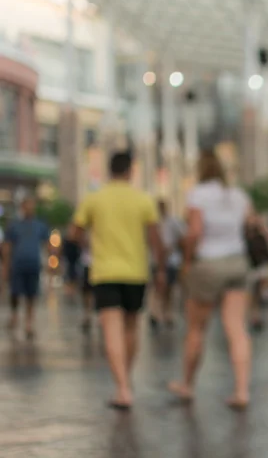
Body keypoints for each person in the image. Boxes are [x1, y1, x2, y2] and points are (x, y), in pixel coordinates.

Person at [71, 152, 166, 410]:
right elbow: (156, 239)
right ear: (130, 171)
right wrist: (161, 270)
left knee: (111, 329)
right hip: (136, 272)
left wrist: (89, 244)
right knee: (132, 328)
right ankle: (126, 379)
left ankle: (122, 388)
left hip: (104, 272)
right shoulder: (143, 199)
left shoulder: (94, 198)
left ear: (109, 169)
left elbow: (74, 232)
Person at [168, 150, 254, 410]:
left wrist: (186, 259)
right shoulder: (239, 195)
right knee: (236, 328)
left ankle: (188, 384)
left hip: (209, 263)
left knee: (196, 329)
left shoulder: (199, 194)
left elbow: (194, 232)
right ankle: (241, 391)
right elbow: (252, 224)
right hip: (237, 262)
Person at [3, 196, 50, 338]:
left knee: (32, 294)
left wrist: (51, 262)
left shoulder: (40, 225)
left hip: (33, 264)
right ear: (22, 207)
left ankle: (29, 322)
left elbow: (47, 244)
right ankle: (14, 316)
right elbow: (7, 246)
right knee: (15, 293)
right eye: (27, 205)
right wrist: (6, 265)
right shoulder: (14, 225)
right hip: (18, 264)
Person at [149, 200, 184, 330]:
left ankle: (167, 312)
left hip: (172, 260)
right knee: (157, 287)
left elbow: (181, 237)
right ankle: (155, 312)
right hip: (156, 259)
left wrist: (172, 248)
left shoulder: (173, 222)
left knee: (170, 287)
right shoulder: (152, 222)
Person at [245, 213, 268, 331]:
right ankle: (253, 316)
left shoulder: (263, 235)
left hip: (260, 267)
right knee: (251, 294)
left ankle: (255, 316)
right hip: (250, 268)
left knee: (257, 294)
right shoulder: (244, 235)